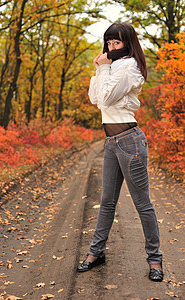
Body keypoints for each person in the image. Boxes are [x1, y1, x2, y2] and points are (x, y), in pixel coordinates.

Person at [77, 23, 163, 282]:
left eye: (117, 43)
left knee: (142, 204)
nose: (112, 47)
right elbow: (95, 99)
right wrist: (99, 69)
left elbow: (107, 98)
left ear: (128, 43)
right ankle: (96, 252)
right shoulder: (111, 66)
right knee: (107, 203)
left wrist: (103, 68)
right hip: (111, 143)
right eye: (109, 43)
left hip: (130, 142)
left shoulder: (131, 67)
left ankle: (155, 260)